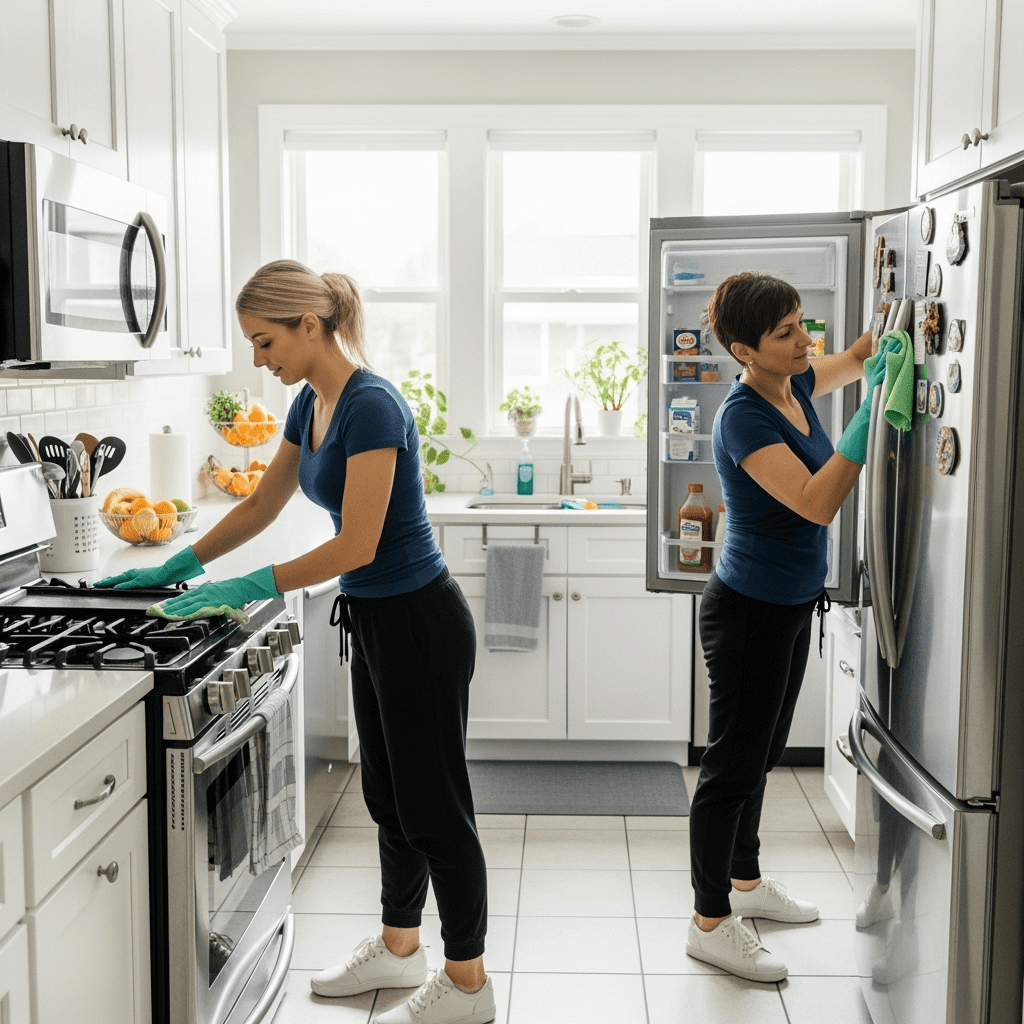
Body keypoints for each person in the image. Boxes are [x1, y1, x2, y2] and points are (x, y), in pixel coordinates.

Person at [97, 259, 495, 1024]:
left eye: (264, 340)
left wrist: (249, 587)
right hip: (380, 622)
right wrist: (176, 564)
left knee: (436, 810)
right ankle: (398, 944)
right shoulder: (312, 400)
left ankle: (470, 983)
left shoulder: (371, 405)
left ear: (309, 326)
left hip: (419, 622)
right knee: (388, 800)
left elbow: (359, 546)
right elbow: (261, 506)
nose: (258, 359)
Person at [685, 271, 899, 983]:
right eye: (786, 332)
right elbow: (813, 503)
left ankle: (745, 884)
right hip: (747, 612)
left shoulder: (795, 380)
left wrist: (898, 333)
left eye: (803, 323)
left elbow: (862, 353)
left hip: (787, 604)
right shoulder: (742, 416)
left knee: (762, 755)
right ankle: (709, 922)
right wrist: (868, 423)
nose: (806, 339)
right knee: (731, 769)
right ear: (746, 350)